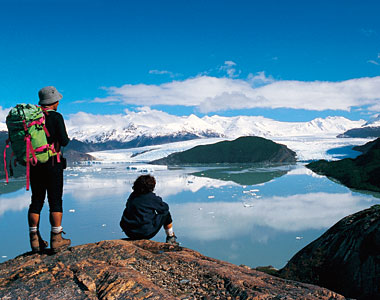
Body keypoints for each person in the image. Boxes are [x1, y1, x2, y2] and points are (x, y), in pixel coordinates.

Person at [28, 86, 71, 253]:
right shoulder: (56, 117)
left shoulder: (32, 119)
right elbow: (65, 141)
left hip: (35, 164)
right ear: (54, 101)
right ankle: (56, 238)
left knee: (36, 200)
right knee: (55, 200)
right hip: (53, 163)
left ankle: (34, 239)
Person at [120, 175, 178, 245]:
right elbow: (165, 208)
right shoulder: (151, 198)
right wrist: (158, 200)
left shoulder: (132, 196)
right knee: (166, 214)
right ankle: (171, 237)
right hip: (144, 233)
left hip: (129, 232)